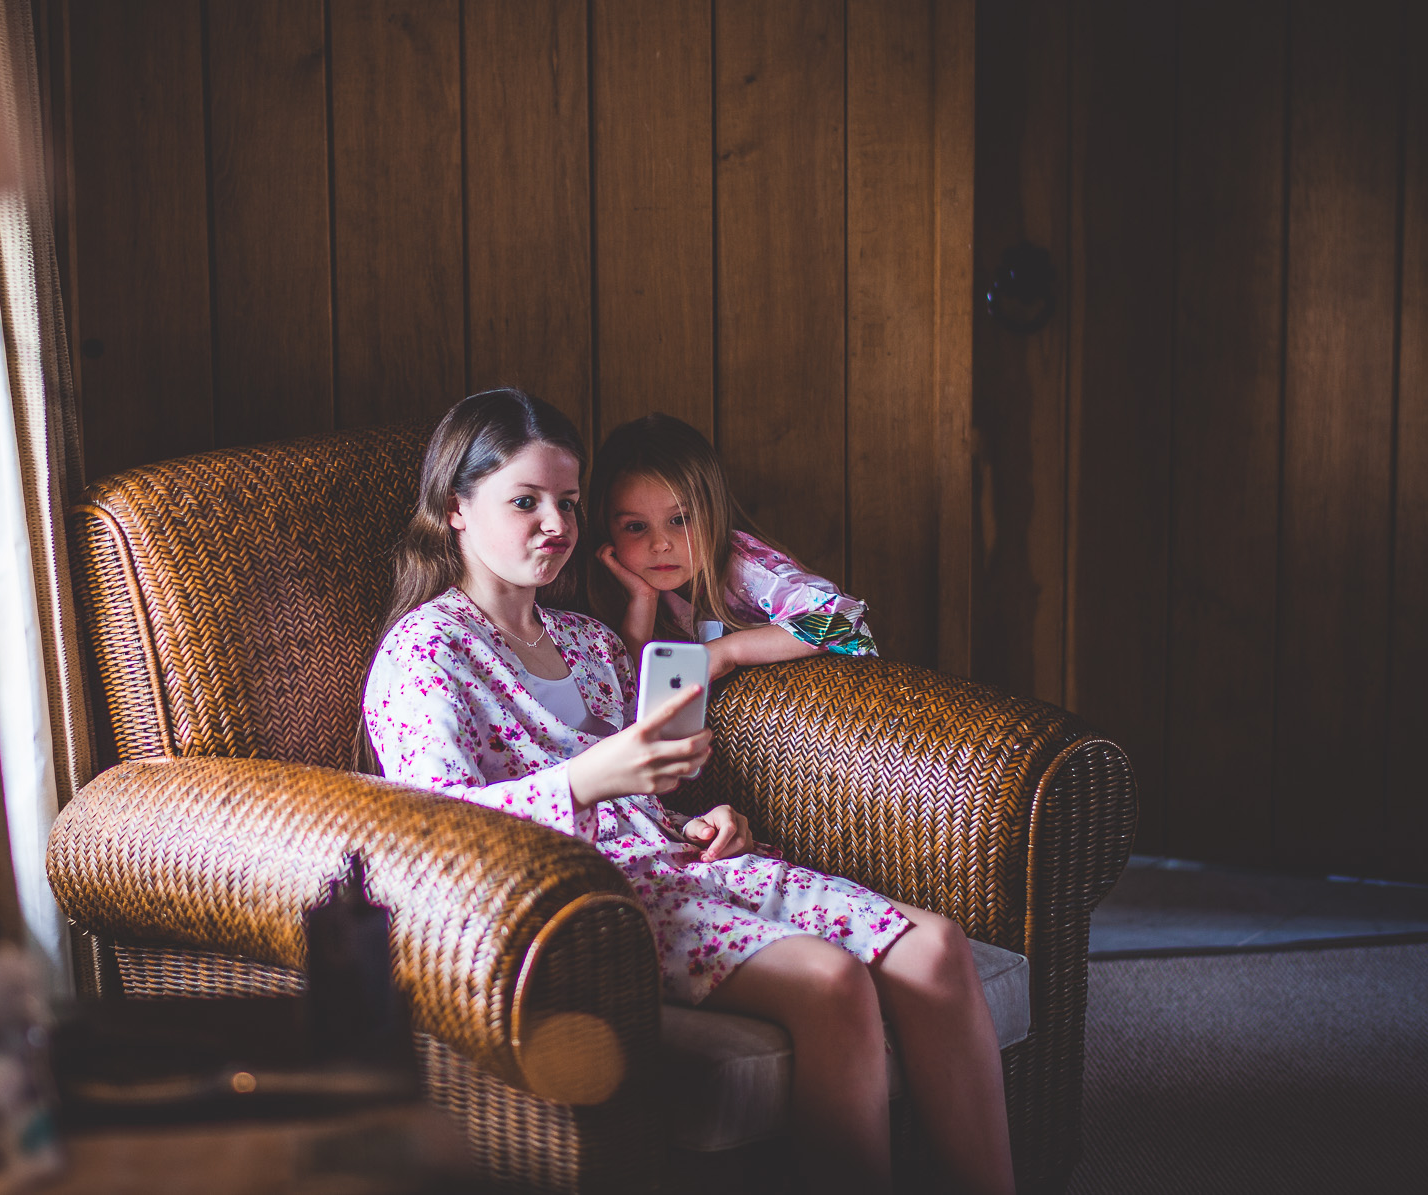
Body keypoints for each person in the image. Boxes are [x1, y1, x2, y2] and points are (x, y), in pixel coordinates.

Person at [361, 389, 1014, 1195]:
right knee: (829, 978)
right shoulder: (426, 651)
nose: (557, 524)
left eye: (567, 502)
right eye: (524, 501)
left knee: (937, 946)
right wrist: (593, 780)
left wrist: (705, 816)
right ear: (457, 509)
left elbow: (644, 782)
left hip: (684, 863)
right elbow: (430, 831)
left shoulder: (589, 639)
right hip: (586, 898)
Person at [588, 411, 877, 679]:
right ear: (606, 527)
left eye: (681, 519)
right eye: (636, 527)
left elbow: (842, 619)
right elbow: (633, 689)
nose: (660, 544)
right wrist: (643, 600)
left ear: (713, 513)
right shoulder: (614, 589)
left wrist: (726, 652)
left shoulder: (743, 565)